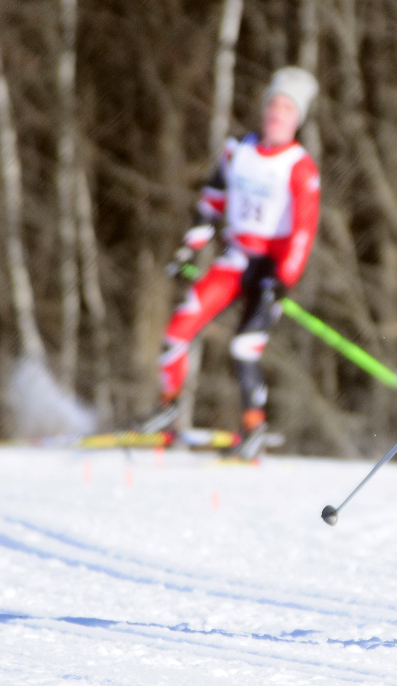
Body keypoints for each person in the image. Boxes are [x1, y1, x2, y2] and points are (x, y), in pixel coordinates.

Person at [141, 67, 321, 460]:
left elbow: (304, 231)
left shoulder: (299, 166)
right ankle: (167, 408)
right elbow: (210, 205)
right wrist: (188, 249)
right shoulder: (235, 151)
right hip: (235, 258)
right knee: (177, 330)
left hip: (270, 268)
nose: (277, 114)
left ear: (297, 118)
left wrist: (283, 279)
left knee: (244, 347)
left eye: (287, 108)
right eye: (273, 104)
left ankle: (254, 426)